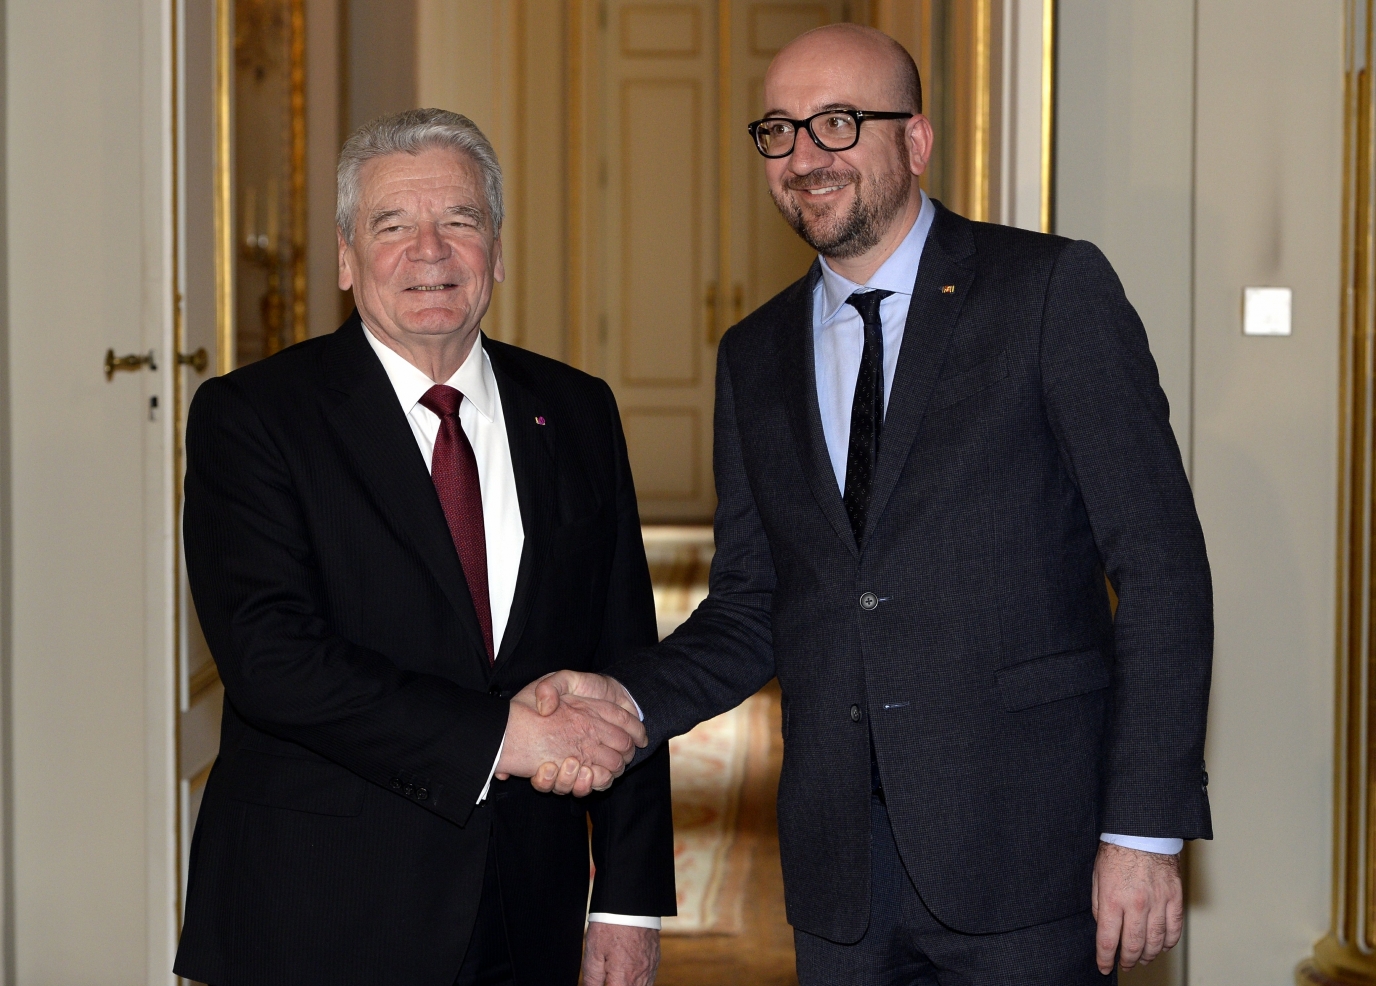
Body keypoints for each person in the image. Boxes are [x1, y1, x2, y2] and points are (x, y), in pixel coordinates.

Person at [536, 23, 1212, 985]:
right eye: (780, 131)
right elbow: (752, 603)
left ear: (917, 141)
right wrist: (631, 699)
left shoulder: (1049, 292)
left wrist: (1143, 828)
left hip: (1029, 852)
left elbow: (1162, 567)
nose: (805, 156)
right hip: (840, 873)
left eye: (839, 123)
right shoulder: (753, 354)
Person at [173, 109, 674, 986]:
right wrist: (502, 736)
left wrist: (626, 901)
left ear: (498, 250)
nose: (430, 252)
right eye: (393, 225)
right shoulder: (252, 417)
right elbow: (271, 659)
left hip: (531, 913)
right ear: (345, 256)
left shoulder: (579, 410)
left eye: (460, 221)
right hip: (319, 913)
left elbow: (625, 660)